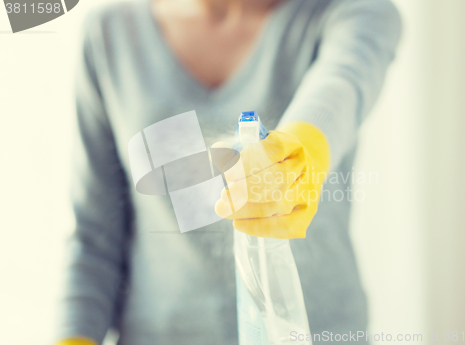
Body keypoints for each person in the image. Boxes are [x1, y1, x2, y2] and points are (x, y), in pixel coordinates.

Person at [55, 0, 401, 344]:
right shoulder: (110, 35)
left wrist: (299, 154)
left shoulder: (349, 12)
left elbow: (341, 85)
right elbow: (95, 236)